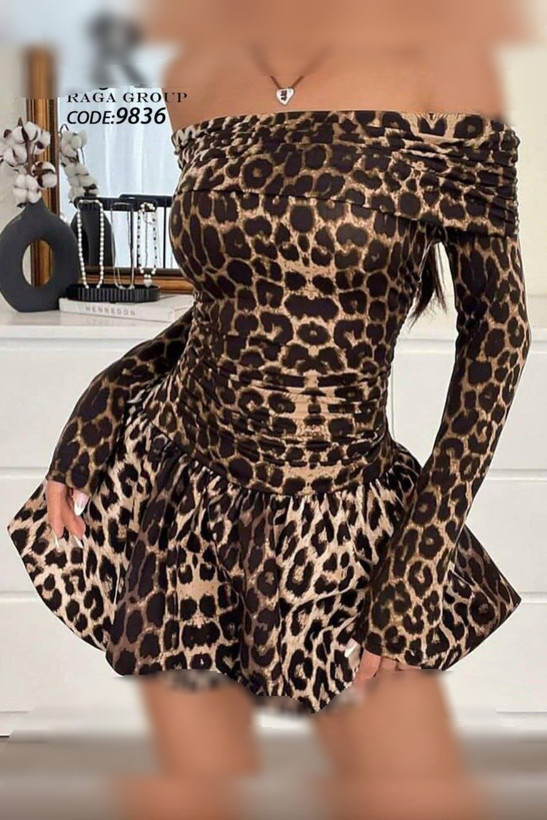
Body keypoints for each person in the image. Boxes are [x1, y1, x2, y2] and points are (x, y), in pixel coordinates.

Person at [7, 0, 532, 801]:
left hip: (337, 512)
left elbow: (498, 336)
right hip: (180, 487)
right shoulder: (195, 72)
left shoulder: (445, 75)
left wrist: (418, 562)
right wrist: (99, 410)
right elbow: (225, 307)